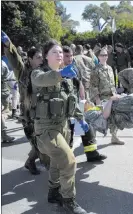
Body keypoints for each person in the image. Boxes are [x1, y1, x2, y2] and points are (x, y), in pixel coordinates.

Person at [30, 39, 89, 213]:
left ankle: (53, 192)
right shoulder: (38, 74)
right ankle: (68, 200)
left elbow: (71, 100)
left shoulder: (67, 77)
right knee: (69, 161)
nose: (59, 55)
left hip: (63, 126)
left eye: (61, 52)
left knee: (58, 162)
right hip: (47, 129)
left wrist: (80, 118)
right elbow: (42, 80)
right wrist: (61, 74)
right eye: (54, 52)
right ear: (46, 57)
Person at [2, 31, 50, 174]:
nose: (41, 59)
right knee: (37, 141)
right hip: (29, 114)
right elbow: (14, 58)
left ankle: (39, 161)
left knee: (44, 140)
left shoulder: (44, 71)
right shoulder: (22, 71)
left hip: (42, 112)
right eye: (38, 57)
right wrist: (8, 44)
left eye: (42, 57)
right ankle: (30, 162)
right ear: (29, 59)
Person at [62, 46, 106, 162]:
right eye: (67, 56)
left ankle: (92, 154)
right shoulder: (58, 71)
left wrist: (84, 98)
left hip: (76, 104)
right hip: (64, 108)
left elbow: (79, 82)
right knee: (69, 133)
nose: (70, 58)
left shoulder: (74, 67)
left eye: (71, 55)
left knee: (86, 128)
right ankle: (32, 160)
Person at [89, 48, 125, 145]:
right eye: (102, 55)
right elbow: (93, 86)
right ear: (98, 56)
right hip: (101, 98)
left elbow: (112, 84)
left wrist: (116, 94)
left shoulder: (109, 68)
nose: (104, 57)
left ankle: (114, 137)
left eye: (105, 55)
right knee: (98, 118)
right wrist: (97, 100)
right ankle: (92, 138)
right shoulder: (95, 70)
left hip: (112, 97)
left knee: (114, 117)